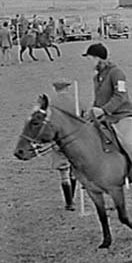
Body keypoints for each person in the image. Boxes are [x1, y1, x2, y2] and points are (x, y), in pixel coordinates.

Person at [82, 43, 132, 188]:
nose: (89, 62)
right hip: (105, 116)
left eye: (90, 58)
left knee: (127, 141)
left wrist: (103, 110)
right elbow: (98, 98)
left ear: (98, 58)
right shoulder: (97, 77)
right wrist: (92, 110)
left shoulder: (117, 73)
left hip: (123, 115)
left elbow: (120, 96)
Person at [50, 78, 77, 211]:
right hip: (74, 141)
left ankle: (69, 202)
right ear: (67, 88)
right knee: (74, 170)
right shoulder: (76, 101)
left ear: (56, 89)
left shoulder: (51, 104)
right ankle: (73, 198)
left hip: (58, 141)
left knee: (64, 172)